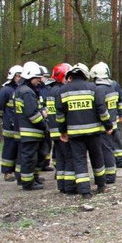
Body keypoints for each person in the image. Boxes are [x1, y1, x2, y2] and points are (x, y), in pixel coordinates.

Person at [58, 63, 113, 199]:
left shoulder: (63, 91)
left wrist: (63, 131)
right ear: (85, 75)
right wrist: (108, 126)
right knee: (97, 158)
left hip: (75, 134)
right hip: (94, 133)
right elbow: (102, 110)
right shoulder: (93, 88)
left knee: (79, 160)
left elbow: (60, 116)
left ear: (71, 75)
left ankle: (84, 191)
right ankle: (101, 185)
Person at [13, 63, 48, 190]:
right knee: (29, 158)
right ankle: (28, 183)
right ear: (29, 77)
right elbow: (32, 114)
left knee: (31, 157)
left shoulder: (22, 90)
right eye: (37, 78)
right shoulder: (27, 92)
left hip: (27, 131)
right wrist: (44, 124)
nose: (40, 80)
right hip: (31, 132)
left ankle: (31, 179)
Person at [46, 63, 75, 193]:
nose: (70, 80)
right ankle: (69, 186)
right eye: (68, 77)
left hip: (53, 130)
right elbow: (63, 113)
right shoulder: (60, 91)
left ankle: (62, 185)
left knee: (61, 158)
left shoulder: (51, 90)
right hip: (61, 131)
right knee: (68, 157)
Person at [90, 62, 120, 185]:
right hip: (113, 124)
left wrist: (106, 123)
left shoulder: (100, 89)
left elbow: (100, 108)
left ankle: (109, 176)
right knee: (110, 150)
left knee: (105, 151)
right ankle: (111, 174)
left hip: (104, 126)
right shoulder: (111, 87)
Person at [0, 64, 22, 181]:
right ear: (13, 76)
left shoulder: (21, 90)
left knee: (20, 150)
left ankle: (19, 172)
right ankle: (7, 172)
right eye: (19, 76)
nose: (20, 78)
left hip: (20, 126)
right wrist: (6, 118)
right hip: (10, 127)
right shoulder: (6, 90)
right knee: (9, 149)